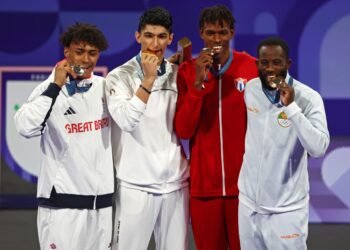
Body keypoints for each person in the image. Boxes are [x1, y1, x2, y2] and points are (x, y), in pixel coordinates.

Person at [14, 23, 113, 250]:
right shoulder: (46, 91)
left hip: (102, 206)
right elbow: (24, 127)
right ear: (67, 52)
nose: (86, 60)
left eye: (93, 53)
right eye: (80, 52)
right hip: (62, 207)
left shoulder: (104, 87)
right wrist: (55, 87)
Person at [174, 4, 258, 250]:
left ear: (232, 32)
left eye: (222, 32)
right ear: (201, 33)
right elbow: (184, 130)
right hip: (204, 190)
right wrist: (198, 85)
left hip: (244, 189)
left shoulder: (251, 67)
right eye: (211, 33)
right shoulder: (188, 71)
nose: (217, 39)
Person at [105, 7, 189, 250]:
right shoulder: (118, 77)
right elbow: (127, 121)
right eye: (149, 35)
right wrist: (148, 80)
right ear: (137, 36)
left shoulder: (177, 73)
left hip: (176, 184)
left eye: (161, 36)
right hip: (135, 186)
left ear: (171, 39)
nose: (155, 43)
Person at [237, 36, 330, 249]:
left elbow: (318, 148)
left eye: (277, 62)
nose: (270, 68)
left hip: (286, 211)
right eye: (264, 62)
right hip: (248, 206)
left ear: (287, 64)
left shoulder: (309, 98)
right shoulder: (251, 90)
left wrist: (292, 108)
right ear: (257, 64)